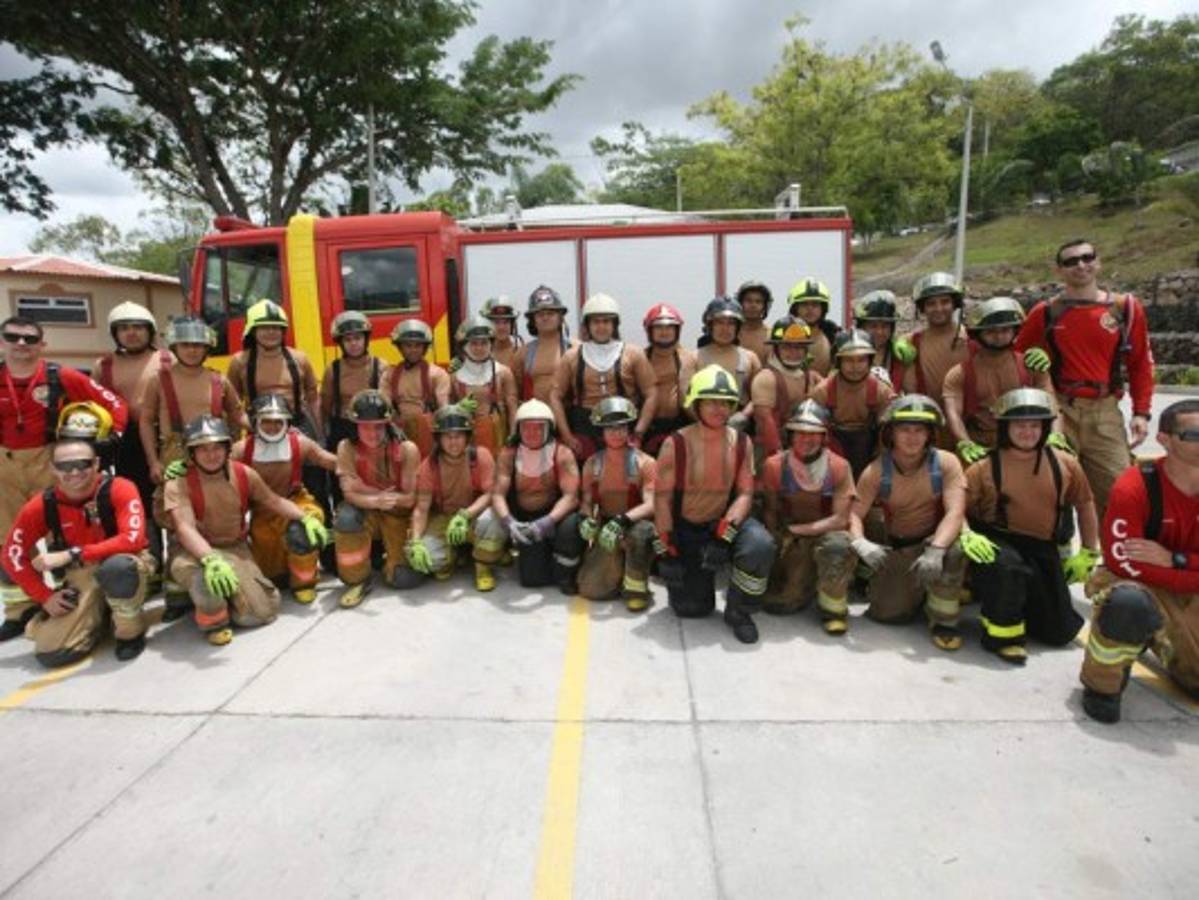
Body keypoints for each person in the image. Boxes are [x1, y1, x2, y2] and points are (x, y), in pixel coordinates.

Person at [0, 315, 128, 639]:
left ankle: (72, 597)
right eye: (13, 337)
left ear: (42, 345)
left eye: (30, 339)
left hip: (52, 462)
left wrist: (112, 435)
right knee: (8, 540)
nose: (21, 344)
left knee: (65, 533)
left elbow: (114, 404)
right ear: (2, 341)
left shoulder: (61, 376)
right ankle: (20, 609)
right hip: (4, 466)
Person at [1077, 399, 1199, 723]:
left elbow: (1165, 563)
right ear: (1164, 439)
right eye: (1194, 435)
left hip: (1185, 583)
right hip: (1141, 583)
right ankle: (1103, 686)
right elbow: (1122, 562)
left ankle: (1160, 639)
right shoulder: (1136, 485)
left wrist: (1175, 560)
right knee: (1128, 603)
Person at [1014, 239, 1155, 519]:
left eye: (1087, 257)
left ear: (1098, 262)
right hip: (1059, 410)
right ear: (1059, 271)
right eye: (1071, 261)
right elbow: (1013, 355)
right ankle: (1062, 558)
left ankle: (1114, 557)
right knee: (1051, 490)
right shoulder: (1045, 313)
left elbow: (1140, 364)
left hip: (1104, 411)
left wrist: (1142, 412)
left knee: (1120, 491)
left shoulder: (1124, 308)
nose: (1080, 265)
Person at [959, 388, 1098, 664]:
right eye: (1019, 425)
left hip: (1041, 546)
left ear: (1046, 427)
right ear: (1004, 428)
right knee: (1008, 569)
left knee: (1059, 632)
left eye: (1035, 425)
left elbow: (1085, 505)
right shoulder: (981, 468)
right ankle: (1003, 636)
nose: (1027, 432)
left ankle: (1020, 602)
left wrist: (1089, 551)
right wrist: (966, 534)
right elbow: (955, 507)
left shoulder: (1066, 464)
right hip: (995, 540)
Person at [164, 415, 328, 646]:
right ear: (191, 453)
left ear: (227, 448)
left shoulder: (243, 473)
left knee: (263, 612)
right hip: (194, 551)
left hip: (234, 548)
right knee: (205, 581)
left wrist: (305, 517)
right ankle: (214, 620)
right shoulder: (179, 482)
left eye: (217, 448)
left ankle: (222, 596)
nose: (211, 455)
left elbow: (274, 501)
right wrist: (210, 559)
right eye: (202, 449)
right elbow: (184, 528)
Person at [0, 433, 152, 664]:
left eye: (83, 464)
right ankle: (95, 615)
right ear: (52, 468)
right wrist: (45, 596)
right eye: (65, 466)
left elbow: (133, 539)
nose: (74, 472)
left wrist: (72, 554)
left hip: (123, 562)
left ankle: (129, 632)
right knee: (52, 654)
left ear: (97, 464)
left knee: (118, 569)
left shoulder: (120, 488)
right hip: (81, 575)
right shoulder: (42, 505)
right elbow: (11, 554)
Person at [654, 364, 776, 644]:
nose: (719, 408)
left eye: (726, 402)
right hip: (688, 528)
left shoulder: (742, 442)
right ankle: (695, 580)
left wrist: (725, 536)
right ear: (696, 403)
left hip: (725, 523)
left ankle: (740, 611)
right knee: (692, 609)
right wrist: (666, 549)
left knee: (760, 545)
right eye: (711, 401)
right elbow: (661, 498)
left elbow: (745, 493)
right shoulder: (676, 443)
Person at [848, 395, 968, 649]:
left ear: (930, 435)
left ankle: (943, 620)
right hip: (901, 544)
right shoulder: (877, 471)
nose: (912, 437)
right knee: (886, 614)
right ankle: (919, 590)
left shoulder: (946, 463)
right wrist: (859, 542)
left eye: (919, 430)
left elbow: (955, 512)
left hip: (935, 539)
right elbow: (854, 514)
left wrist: (936, 550)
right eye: (904, 429)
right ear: (891, 434)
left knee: (956, 549)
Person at [759, 399, 856, 633]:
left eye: (814, 433)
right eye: (799, 433)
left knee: (838, 546)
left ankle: (833, 609)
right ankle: (805, 579)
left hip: (824, 534)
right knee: (778, 604)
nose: (806, 439)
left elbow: (840, 520)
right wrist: (776, 549)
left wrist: (797, 531)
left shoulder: (839, 467)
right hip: (790, 537)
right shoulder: (774, 466)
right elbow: (770, 511)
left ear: (825, 437)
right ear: (789, 435)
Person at [232, 395, 337, 604]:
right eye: (266, 421)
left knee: (303, 530)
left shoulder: (300, 443)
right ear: (256, 422)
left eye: (278, 421)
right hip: (263, 514)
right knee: (274, 577)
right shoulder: (241, 449)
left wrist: (360, 455)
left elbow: (331, 461)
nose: (272, 427)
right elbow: (214, 471)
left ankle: (305, 583)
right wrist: (184, 469)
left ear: (287, 422)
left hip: (297, 501)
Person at [560, 397, 657, 612]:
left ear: (629, 429)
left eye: (622, 427)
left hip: (635, 525)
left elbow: (652, 505)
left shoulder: (645, 463)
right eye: (610, 428)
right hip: (607, 528)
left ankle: (636, 589)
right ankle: (618, 569)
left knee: (641, 534)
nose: (616, 433)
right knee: (590, 590)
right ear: (601, 433)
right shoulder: (592, 464)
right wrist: (587, 519)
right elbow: (586, 500)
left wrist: (622, 521)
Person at [92, 301, 169, 570]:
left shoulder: (167, 359)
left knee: (174, 500)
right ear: (115, 334)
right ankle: (153, 563)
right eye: (124, 328)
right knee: (138, 502)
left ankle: (180, 564)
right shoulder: (104, 366)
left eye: (138, 327)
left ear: (150, 331)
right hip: (126, 443)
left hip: (166, 437)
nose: (132, 333)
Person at [331, 389, 423, 608]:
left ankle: (390, 561)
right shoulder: (346, 447)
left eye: (378, 426)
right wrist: (376, 500)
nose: (372, 433)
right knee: (346, 517)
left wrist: (366, 489)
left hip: (398, 517)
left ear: (389, 423)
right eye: (364, 426)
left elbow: (410, 499)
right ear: (355, 425)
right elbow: (349, 494)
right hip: (368, 512)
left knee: (405, 579)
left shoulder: (407, 449)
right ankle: (357, 579)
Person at [943, 297, 1059, 463]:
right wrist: (964, 442)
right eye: (991, 331)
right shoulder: (959, 373)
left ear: (1015, 331)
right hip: (981, 447)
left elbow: (1053, 405)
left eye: (1005, 330)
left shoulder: (1031, 366)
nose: (998, 336)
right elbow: (953, 414)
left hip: (1027, 443)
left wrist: (1056, 435)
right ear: (978, 333)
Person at [406, 404, 503, 591]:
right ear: (438, 439)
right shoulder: (429, 465)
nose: (453, 442)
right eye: (447, 436)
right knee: (427, 560)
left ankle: (483, 566)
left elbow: (491, 494)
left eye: (458, 435)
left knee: (494, 521)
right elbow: (421, 508)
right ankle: (452, 556)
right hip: (443, 517)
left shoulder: (481, 456)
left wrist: (465, 515)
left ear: (467, 437)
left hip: (473, 514)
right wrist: (416, 541)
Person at [486, 399, 581, 590]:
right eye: (526, 428)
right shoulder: (509, 454)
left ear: (549, 429)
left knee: (571, 527)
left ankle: (565, 572)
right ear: (518, 430)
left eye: (538, 428)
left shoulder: (562, 453)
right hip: (524, 519)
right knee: (532, 580)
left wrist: (546, 523)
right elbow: (497, 494)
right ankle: (541, 553)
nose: (532, 433)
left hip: (554, 516)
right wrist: (510, 522)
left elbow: (571, 497)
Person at [551, 293, 656, 462]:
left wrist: (639, 432)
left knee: (626, 477)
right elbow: (555, 397)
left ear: (615, 324)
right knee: (589, 478)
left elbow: (651, 393)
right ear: (588, 325)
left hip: (624, 424)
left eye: (606, 321)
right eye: (595, 322)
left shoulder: (633, 353)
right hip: (585, 428)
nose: (601, 327)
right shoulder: (571, 356)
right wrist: (567, 436)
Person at [226, 299, 321, 435]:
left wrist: (321, 435)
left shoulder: (300, 359)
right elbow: (233, 408)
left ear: (283, 331)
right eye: (264, 327)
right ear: (253, 331)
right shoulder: (239, 362)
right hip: (258, 429)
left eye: (276, 327)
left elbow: (314, 400)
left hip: (298, 430)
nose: (271, 332)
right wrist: (232, 442)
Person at [810, 329, 896, 478]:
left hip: (870, 453)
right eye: (849, 360)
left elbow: (888, 435)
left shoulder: (882, 391)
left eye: (861, 360)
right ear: (838, 361)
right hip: (830, 453)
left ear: (870, 361)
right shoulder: (822, 392)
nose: (855, 367)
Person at [902, 272, 969, 438]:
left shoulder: (972, 339)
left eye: (945, 301)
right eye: (931, 303)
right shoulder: (910, 343)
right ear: (922, 308)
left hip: (968, 428)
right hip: (927, 428)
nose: (938, 308)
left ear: (955, 304)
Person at [319, 310, 387, 468]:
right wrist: (324, 435)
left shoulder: (380, 366)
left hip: (374, 430)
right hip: (342, 430)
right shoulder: (332, 370)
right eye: (348, 339)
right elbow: (325, 408)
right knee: (341, 480)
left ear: (366, 339)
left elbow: (387, 403)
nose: (354, 343)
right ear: (341, 343)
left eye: (358, 338)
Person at [682, 296, 760, 432]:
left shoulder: (750, 358)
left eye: (731, 323)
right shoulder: (693, 358)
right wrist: (707, 424)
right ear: (710, 325)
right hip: (701, 429)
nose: (725, 328)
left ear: (738, 327)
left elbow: (760, 396)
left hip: (741, 429)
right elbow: (685, 399)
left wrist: (744, 415)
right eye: (719, 322)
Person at [750, 316, 821, 459]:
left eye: (799, 347)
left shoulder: (810, 377)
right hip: (769, 452)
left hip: (802, 450)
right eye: (787, 346)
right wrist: (778, 457)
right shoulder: (766, 378)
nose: (794, 352)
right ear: (776, 348)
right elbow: (765, 421)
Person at [449, 314, 519, 457]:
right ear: (464, 346)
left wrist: (513, 436)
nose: (479, 348)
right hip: (467, 443)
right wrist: (457, 409)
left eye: (484, 343)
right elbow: (446, 412)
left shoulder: (504, 373)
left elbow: (513, 408)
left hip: (499, 440)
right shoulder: (454, 378)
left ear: (491, 344)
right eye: (474, 343)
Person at [385, 318, 451, 459]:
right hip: (398, 434)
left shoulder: (437, 374)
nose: (413, 350)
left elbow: (443, 407)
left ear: (425, 347)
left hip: (429, 436)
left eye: (417, 345)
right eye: (408, 345)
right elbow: (384, 406)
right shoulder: (389, 374)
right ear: (400, 347)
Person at [640, 303, 695, 456]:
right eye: (658, 327)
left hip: (680, 425)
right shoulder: (640, 358)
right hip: (647, 429)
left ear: (677, 330)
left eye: (670, 327)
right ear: (649, 330)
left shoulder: (689, 358)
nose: (664, 332)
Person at [516, 285, 575, 402]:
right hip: (537, 416)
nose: (545, 318)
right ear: (533, 320)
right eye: (540, 314)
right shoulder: (523, 353)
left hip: (570, 414)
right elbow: (516, 390)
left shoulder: (575, 348)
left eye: (550, 313)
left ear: (560, 317)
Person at [853, 290, 913, 389]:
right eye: (873, 326)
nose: (879, 332)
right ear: (861, 327)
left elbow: (911, 391)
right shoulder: (848, 354)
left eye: (885, 326)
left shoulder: (900, 355)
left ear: (892, 328)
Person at [787, 278, 840, 376]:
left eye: (815, 304)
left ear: (823, 309)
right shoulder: (782, 337)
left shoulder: (834, 337)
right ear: (795, 308)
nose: (810, 309)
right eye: (804, 304)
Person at [481, 296, 524, 374]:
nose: (501, 327)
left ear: (512, 325)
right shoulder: (478, 353)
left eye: (506, 322)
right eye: (496, 322)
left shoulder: (522, 354)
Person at [734, 280, 774, 365]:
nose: (753, 305)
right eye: (748, 301)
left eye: (758, 302)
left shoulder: (772, 336)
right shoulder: (730, 334)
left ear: (765, 306)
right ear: (740, 304)